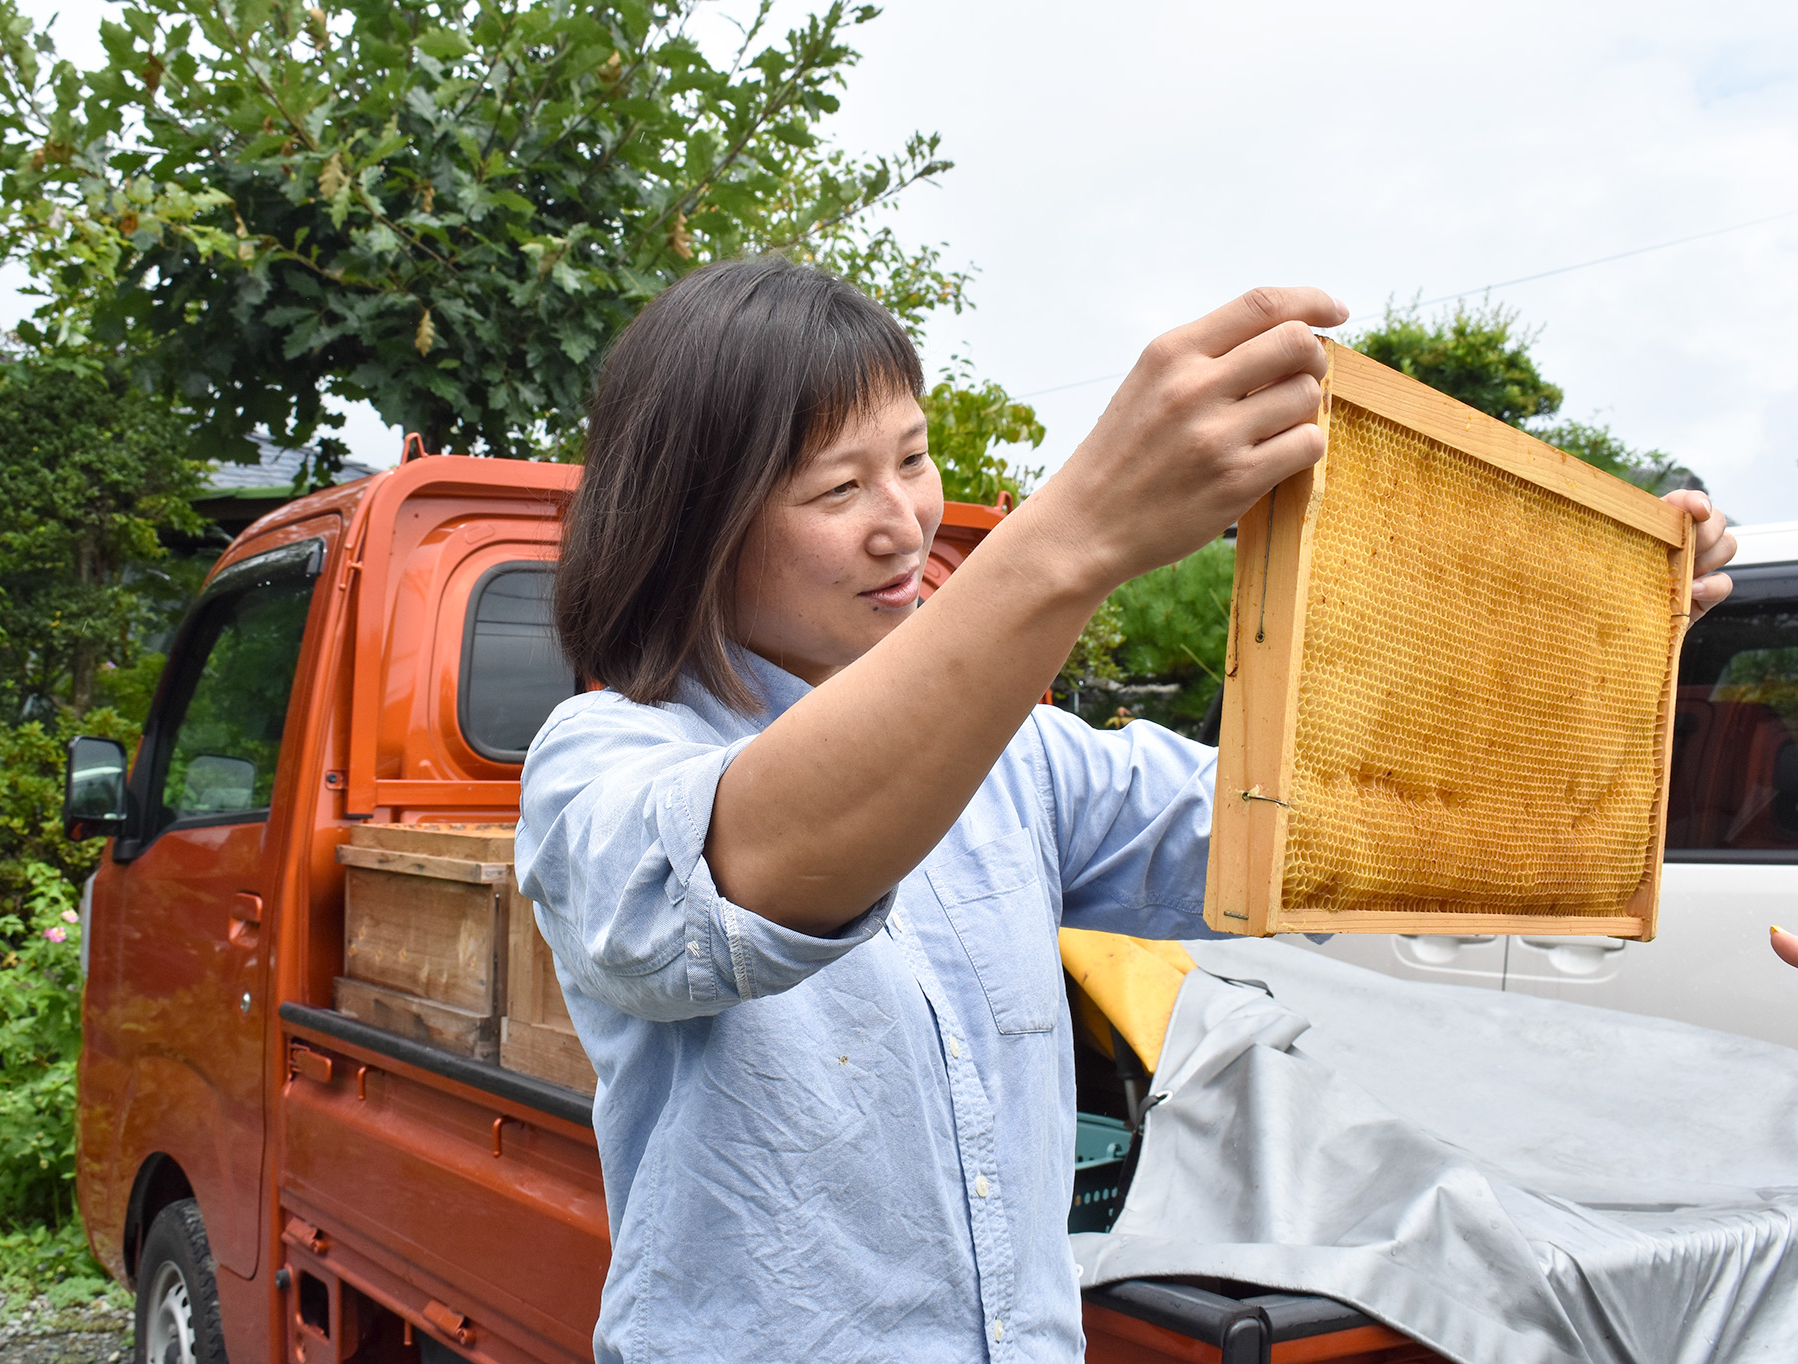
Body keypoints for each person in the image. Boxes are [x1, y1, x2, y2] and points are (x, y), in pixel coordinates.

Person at [515, 258, 1736, 1363]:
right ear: (695, 522)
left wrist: (1581, 654)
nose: (905, 522)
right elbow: (758, 864)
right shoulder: (602, 759)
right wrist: (1077, 531)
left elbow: (1297, 810)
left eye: (913, 454)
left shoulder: (1025, 759)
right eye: (837, 485)